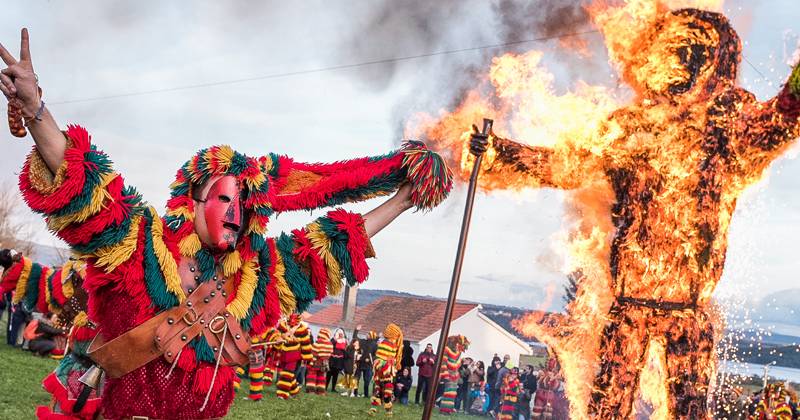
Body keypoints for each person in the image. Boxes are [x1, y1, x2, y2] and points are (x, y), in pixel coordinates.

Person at [0, 25, 453, 418]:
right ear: (192, 201)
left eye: (244, 203)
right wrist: (37, 110)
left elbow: (331, 246)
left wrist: (401, 201)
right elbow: (84, 186)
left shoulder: (258, 280)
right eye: (222, 198)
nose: (235, 212)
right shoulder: (138, 245)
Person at [466, 9, 800, 418]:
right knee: (606, 409)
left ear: (711, 63)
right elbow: (564, 165)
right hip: (629, 306)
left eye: (689, 52)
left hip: (689, 311)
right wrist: (500, 153)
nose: (675, 60)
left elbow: (781, 119)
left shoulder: (727, 126)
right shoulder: (628, 129)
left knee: (688, 411)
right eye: (669, 50)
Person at [275, 313, 313, 400]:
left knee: (287, 373)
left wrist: (307, 358)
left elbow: (306, 343)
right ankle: (294, 391)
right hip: (284, 353)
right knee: (289, 375)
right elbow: (277, 334)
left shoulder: (302, 329)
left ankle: (282, 394)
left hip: (295, 355)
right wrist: (278, 339)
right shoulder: (282, 325)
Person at [369, 323, 404, 417]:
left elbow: (381, 357)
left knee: (378, 389)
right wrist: (393, 362)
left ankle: (374, 410)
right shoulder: (389, 344)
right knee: (386, 390)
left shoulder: (385, 343)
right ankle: (388, 411)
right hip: (385, 371)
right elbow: (385, 358)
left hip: (381, 371)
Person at [438, 335, 470, 414]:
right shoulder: (446, 349)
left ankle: (449, 409)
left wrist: (461, 352)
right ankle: (444, 409)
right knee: (448, 392)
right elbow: (444, 362)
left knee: (453, 392)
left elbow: (457, 363)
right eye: (456, 344)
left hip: (455, 374)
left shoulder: (457, 352)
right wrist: (445, 374)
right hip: (449, 373)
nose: (457, 345)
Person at [306, 328, 333, 395]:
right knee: (321, 377)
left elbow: (313, 352)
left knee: (312, 376)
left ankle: (311, 390)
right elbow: (330, 354)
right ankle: (320, 391)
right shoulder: (330, 344)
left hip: (316, 361)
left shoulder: (318, 342)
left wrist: (311, 361)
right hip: (325, 363)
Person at [341, 326, 362, 397]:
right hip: (349, 366)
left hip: (356, 366)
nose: (357, 344)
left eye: (358, 343)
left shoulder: (359, 350)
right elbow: (347, 356)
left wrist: (359, 357)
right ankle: (347, 391)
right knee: (347, 378)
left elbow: (360, 357)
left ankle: (352, 393)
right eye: (356, 342)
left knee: (354, 379)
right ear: (353, 343)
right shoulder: (349, 348)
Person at [357, 330, 377, 399]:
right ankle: (355, 392)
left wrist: (370, 359)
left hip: (368, 365)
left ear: (371, 336)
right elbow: (355, 338)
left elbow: (375, 355)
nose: (367, 335)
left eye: (368, 334)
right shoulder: (363, 341)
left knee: (366, 380)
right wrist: (356, 330)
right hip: (360, 363)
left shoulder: (374, 344)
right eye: (367, 334)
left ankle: (366, 394)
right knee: (357, 378)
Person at [328, 328, 347, 392]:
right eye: (339, 333)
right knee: (329, 373)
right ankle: (325, 386)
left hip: (339, 360)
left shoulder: (344, 340)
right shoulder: (333, 339)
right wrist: (335, 339)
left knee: (336, 375)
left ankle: (333, 388)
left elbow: (345, 350)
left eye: (341, 334)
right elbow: (330, 345)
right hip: (332, 359)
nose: (340, 335)